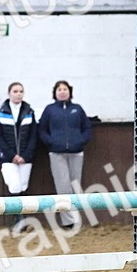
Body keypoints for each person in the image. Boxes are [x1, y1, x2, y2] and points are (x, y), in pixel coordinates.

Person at [37, 80, 93, 227]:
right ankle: (67, 222)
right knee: (63, 187)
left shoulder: (77, 109)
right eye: (59, 89)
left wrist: (81, 141)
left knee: (75, 186)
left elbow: (87, 128)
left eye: (65, 89)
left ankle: (76, 220)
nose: (62, 91)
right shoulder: (49, 110)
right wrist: (51, 142)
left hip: (76, 152)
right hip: (57, 153)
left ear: (70, 92)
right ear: (55, 93)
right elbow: (42, 130)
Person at [0, 82, 38, 232]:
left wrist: (25, 155)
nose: (18, 94)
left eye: (21, 91)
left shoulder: (29, 112)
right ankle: (18, 220)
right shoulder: (0, 112)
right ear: (9, 93)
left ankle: (23, 219)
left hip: (25, 157)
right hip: (7, 157)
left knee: (23, 187)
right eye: (15, 91)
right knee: (14, 186)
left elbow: (33, 136)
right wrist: (12, 155)